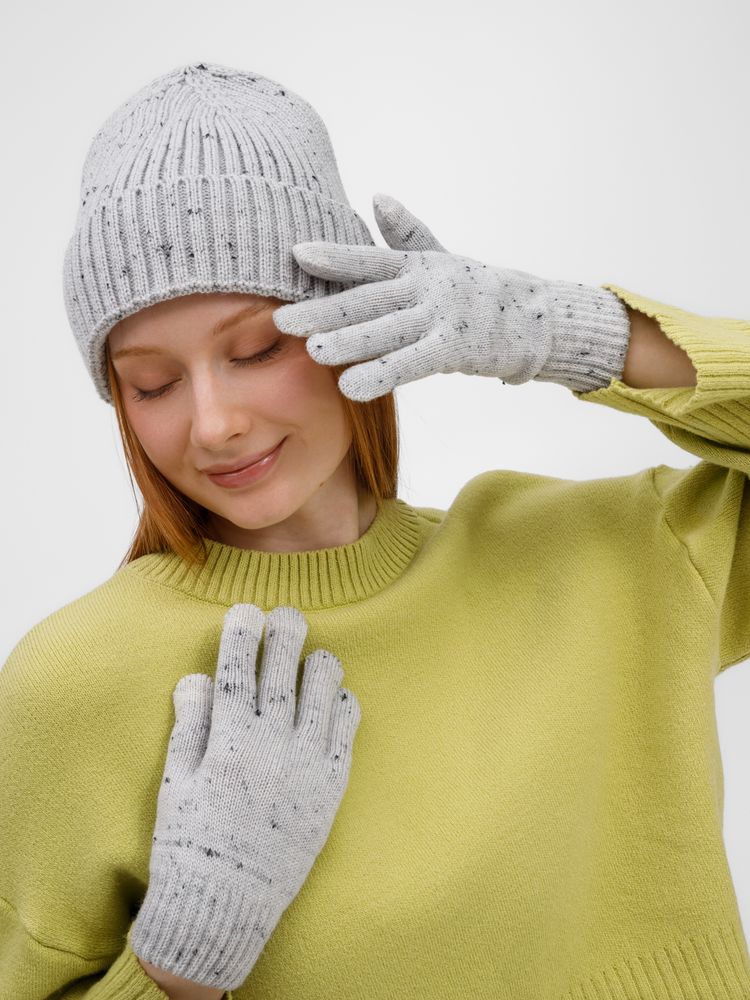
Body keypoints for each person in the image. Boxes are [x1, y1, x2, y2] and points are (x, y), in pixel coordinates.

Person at [1, 60, 748, 1000]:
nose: (213, 423)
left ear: (359, 313)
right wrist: (183, 961)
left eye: (257, 348)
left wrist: (570, 333)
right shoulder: (71, 687)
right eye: (152, 384)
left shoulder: (614, 560)